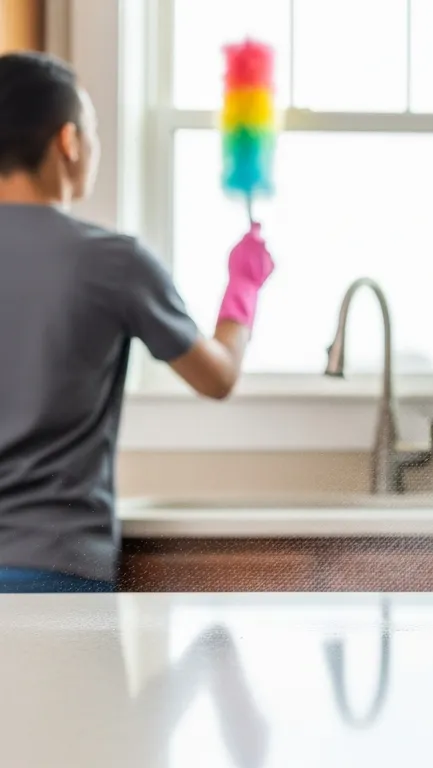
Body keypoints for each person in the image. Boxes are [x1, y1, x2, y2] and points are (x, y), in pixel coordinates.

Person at [0, 52, 275, 592]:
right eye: (93, 131)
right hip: (56, 570)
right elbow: (217, 377)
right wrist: (243, 286)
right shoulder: (113, 262)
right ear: (68, 142)